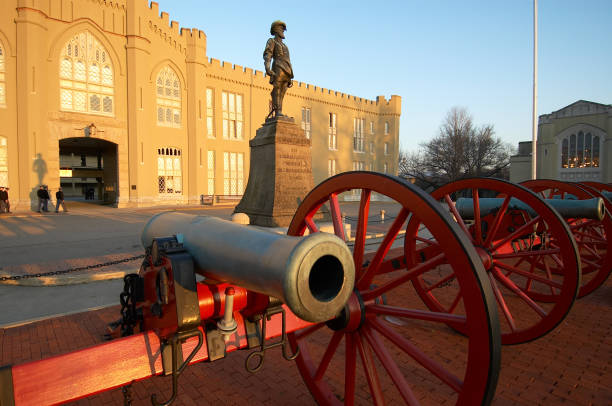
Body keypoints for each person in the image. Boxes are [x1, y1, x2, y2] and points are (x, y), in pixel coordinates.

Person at [263, 20, 294, 119]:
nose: (283, 32)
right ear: (276, 30)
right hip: (278, 68)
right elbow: (268, 54)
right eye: (281, 29)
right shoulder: (272, 41)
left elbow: (288, 59)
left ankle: (279, 111)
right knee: (277, 89)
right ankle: (277, 112)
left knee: (283, 91)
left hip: (287, 70)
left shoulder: (285, 46)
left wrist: (290, 76)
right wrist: (267, 67)